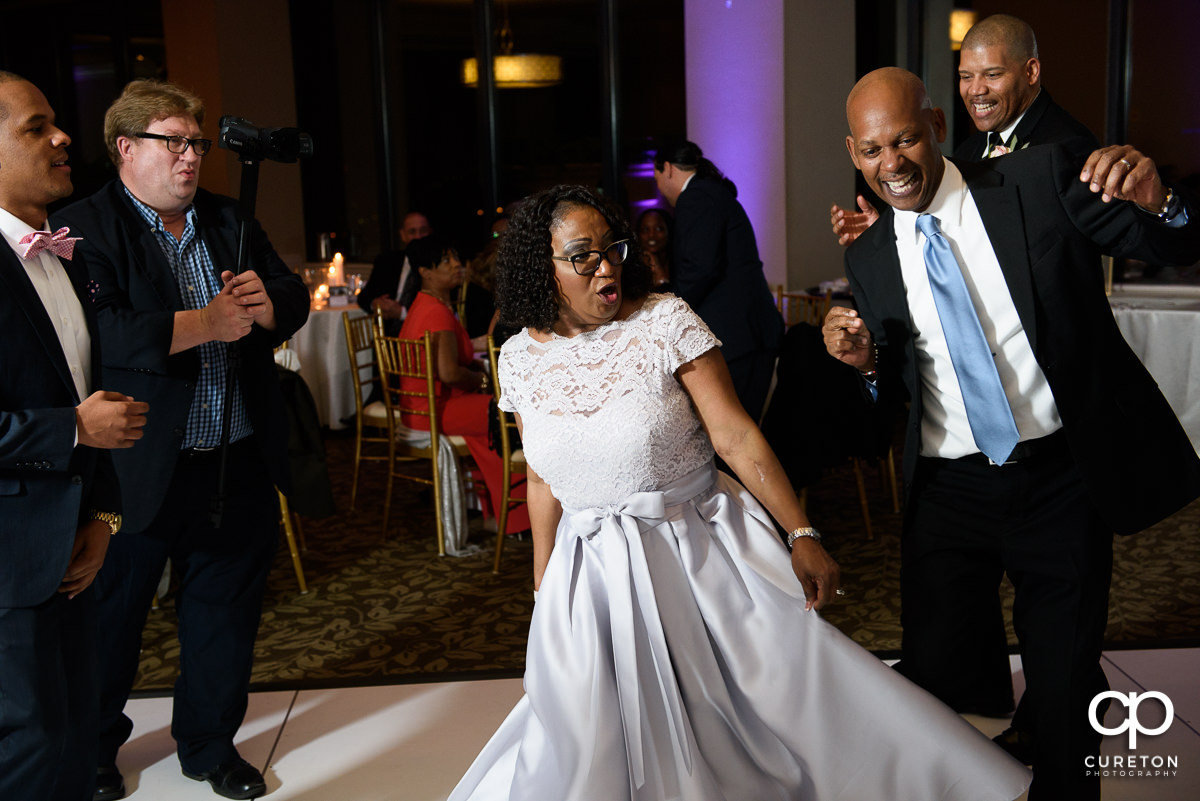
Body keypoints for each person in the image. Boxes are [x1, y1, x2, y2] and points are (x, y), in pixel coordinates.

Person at [446, 184, 1030, 801]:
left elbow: (735, 435)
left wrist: (801, 533)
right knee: (592, 724)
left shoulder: (665, 320)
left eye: (612, 248)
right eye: (584, 256)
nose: (608, 266)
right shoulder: (517, 358)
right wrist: (544, 580)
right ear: (545, 268)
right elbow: (541, 476)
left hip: (696, 550)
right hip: (590, 571)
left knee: (780, 689)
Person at [823, 67, 1200, 800]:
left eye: (904, 139)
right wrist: (869, 365)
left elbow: (1169, 240)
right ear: (852, 150)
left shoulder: (1036, 178)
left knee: (1063, 685)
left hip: (1058, 477)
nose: (890, 164)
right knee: (935, 686)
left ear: (935, 124)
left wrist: (1167, 202)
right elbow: (901, 385)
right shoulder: (866, 256)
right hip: (948, 492)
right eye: (871, 150)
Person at [51, 79, 309, 801]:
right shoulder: (83, 227)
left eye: (196, 142)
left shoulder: (229, 218)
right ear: (126, 148)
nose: (191, 156)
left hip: (234, 456)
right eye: (174, 142)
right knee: (110, 620)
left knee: (223, 617)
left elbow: (289, 294)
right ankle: (98, 750)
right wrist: (206, 322)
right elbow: (103, 333)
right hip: (133, 469)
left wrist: (266, 309)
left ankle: (209, 746)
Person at [0, 71, 148, 801]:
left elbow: (92, 400)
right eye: (35, 127)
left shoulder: (70, 254)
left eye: (55, 121)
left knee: (75, 738)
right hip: (6, 561)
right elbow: (79, 418)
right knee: (27, 746)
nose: (62, 137)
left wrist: (103, 517)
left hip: (76, 549)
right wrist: (72, 427)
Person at [831, 14, 1098, 246]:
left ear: (1031, 72)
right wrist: (894, 235)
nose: (976, 90)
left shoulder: (1069, 146)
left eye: (992, 75)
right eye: (966, 76)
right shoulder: (968, 150)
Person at [396, 234, 529, 535]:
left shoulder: (427, 304)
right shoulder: (435, 311)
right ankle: (517, 514)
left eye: (455, 258)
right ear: (424, 272)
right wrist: (483, 382)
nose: (457, 265)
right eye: (446, 261)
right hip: (432, 410)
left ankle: (504, 515)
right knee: (504, 415)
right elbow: (449, 373)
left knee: (489, 429)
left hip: (427, 405)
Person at [654, 141, 783, 420]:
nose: (659, 189)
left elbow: (700, 270)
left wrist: (663, 307)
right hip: (750, 332)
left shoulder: (696, 197)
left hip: (740, 336)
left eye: (656, 179)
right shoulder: (710, 193)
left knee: (735, 434)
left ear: (667, 169)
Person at [357, 210, 432, 333]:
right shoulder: (386, 261)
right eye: (412, 232)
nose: (418, 237)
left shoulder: (435, 267)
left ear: (429, 233)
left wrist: (401, 313)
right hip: (387, 338)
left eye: (423, 231)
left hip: (422, 337)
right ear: (403, 235)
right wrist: (375, 303)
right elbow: (364, 297)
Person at [636, 206, 672, 290]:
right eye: (645, 230)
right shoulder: (634, 268)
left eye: (658, 229)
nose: (651, 235)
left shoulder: (681, 263)